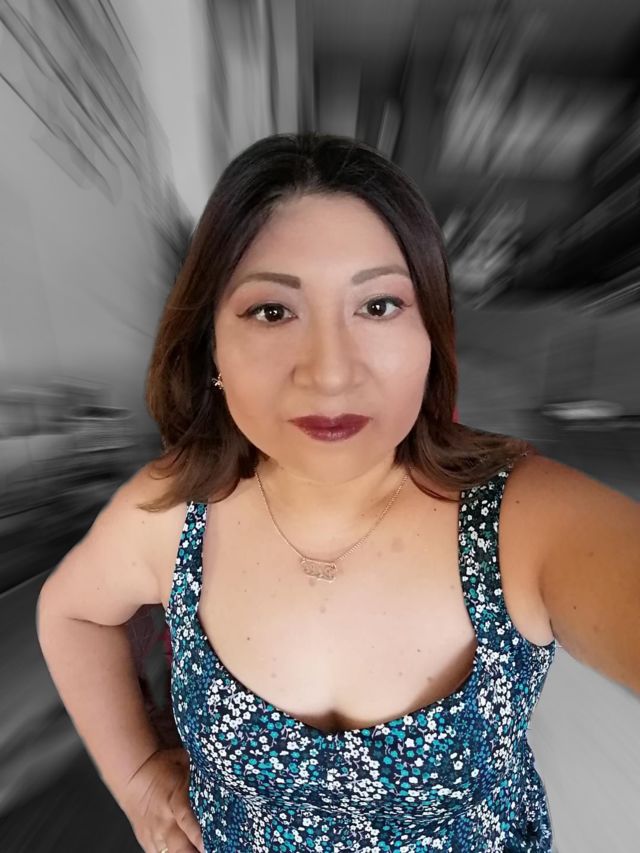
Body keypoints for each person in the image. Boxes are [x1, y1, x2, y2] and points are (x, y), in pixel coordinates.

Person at [36, 132, 640, 853]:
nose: (329, 372)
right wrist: (137, 779)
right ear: (211, 348)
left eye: (378, 306)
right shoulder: (171, 512)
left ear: (430, 336)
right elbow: (72, 613)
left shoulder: (521, 521)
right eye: (272, 311)